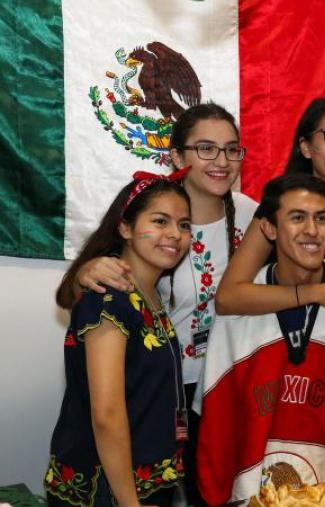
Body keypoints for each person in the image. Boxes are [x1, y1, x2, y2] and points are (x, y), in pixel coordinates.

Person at [60, 103, 258, 507]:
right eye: (205, 148)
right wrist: (86, 272)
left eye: (231, 149)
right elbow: (78, 300)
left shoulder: (253, 214)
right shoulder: (151, 212)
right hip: (161, 387)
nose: (220, 161)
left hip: (226, 381)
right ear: (177, 157)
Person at [195, 173, 325, 505]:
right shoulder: (239, 307)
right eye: (297, 218)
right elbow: (220, 421)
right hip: (259, 492)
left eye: (321, 218)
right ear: (269, 228)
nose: (311, 230)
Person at [46, 171, 193, 507]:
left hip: (146, 485)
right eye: (160, 221)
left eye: (184, 225)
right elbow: (107, 413)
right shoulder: (109, 298)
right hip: (111, 492)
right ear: (125, 228)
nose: (175, 234)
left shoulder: (151, 295)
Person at [214, 96, 325, 316]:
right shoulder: (279, 205)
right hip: (284, 339)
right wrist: (316, 293)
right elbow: (227, 298)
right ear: (306, 147)